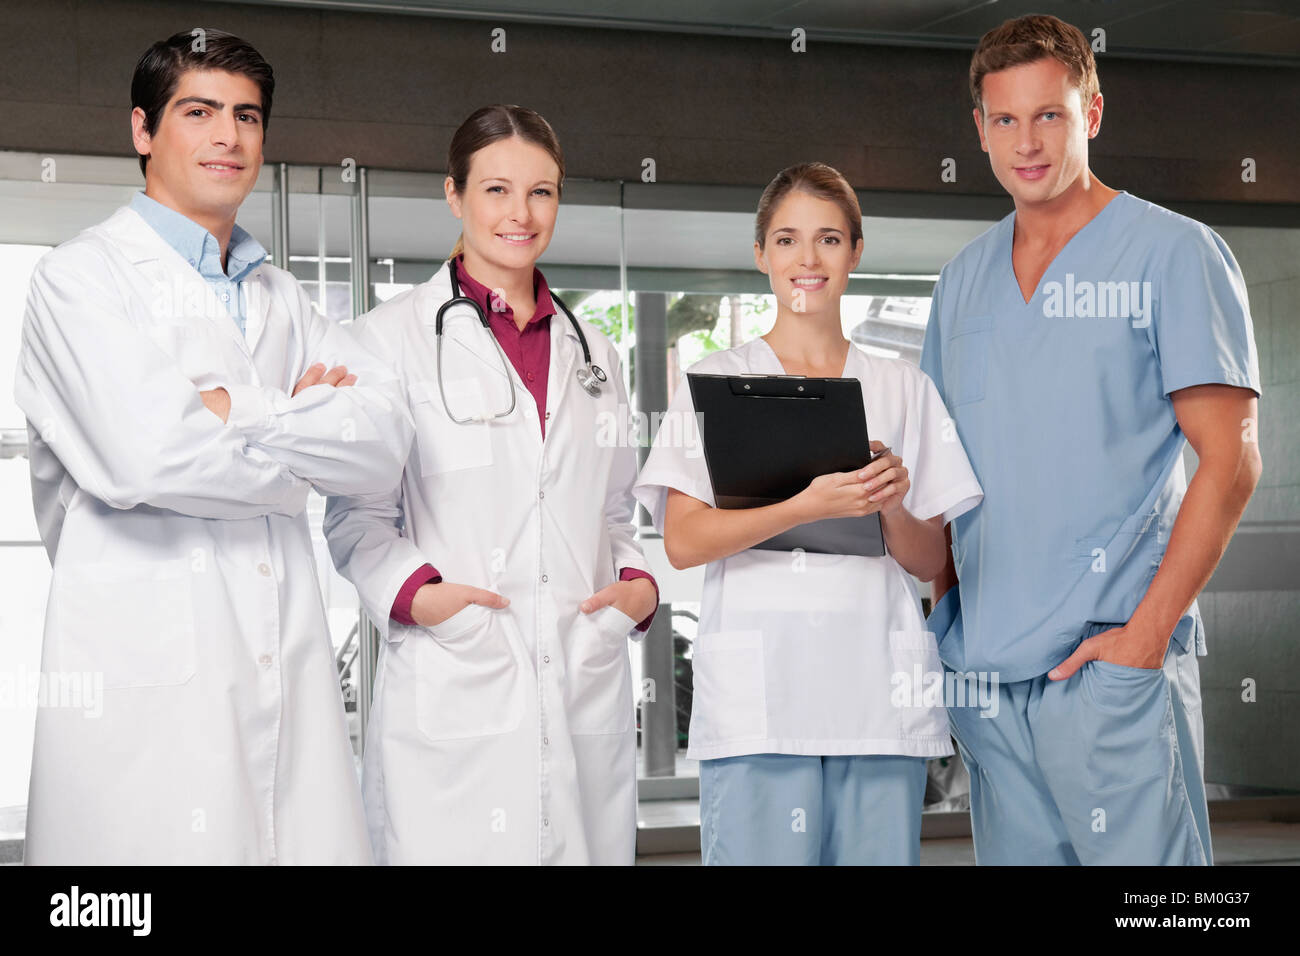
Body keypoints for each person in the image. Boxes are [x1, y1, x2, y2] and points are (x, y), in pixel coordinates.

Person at [14, 29, 413, 865]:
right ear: (143, 130)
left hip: (284, 670)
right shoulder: (78, 279)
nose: (228, 136)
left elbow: (381, 444)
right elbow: (148, 454)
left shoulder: (284, 295)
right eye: (198, 112)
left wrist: (233, 412)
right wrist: (302, 436)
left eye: (247, 116)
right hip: (146, 678)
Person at [921, 14, 1262, 865]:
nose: (1027, 142)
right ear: (980, 130)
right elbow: (941, 472)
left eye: (1050, 116)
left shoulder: (1174, 254)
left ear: (1093, 115)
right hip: (990, 678)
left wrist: (1144, 641)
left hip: (1111, 670)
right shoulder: (962, 281)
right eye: (1005, 119)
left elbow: (1232, 458)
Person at [323, 105, 659, 865]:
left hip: (581, 674)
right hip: (456, 679)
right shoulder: (387, 339)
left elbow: (613, 505)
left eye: (542, 192)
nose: (521, 213)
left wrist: (636, 584)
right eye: (498, 190)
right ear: (455, 195)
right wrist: (425, 599)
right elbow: (356, 517)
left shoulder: (594, 349)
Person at [634, 162, 983, 865]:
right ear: (761, 253)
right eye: (787, 239)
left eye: (828, 239)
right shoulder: (714, 384)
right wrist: (804, 504)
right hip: (760, 706)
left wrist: (887, 504)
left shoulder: (904, 388)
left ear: (855, 251)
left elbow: (931, 560)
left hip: (873, 702)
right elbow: (682, 540)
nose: (807, 259)